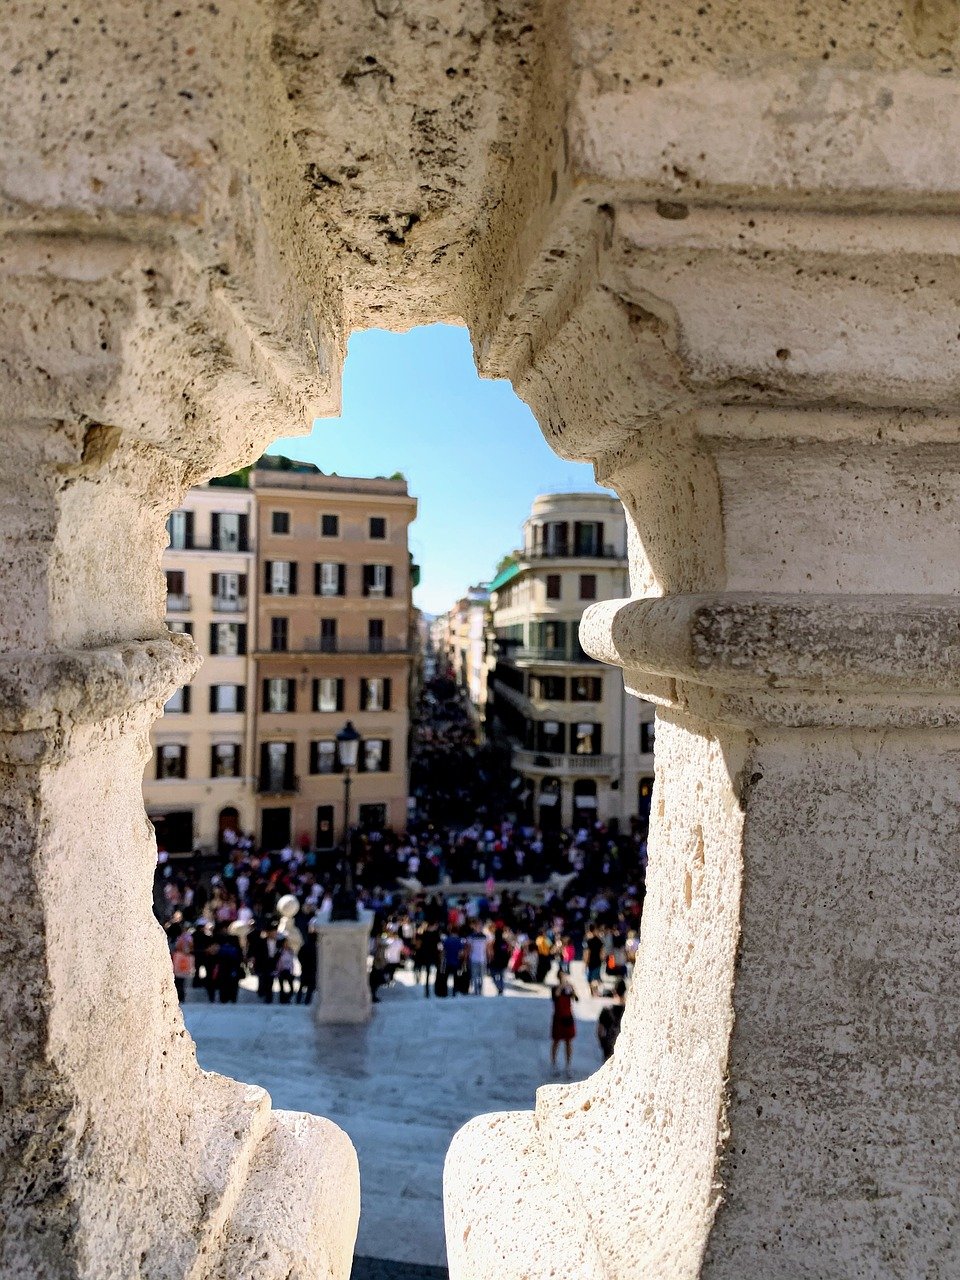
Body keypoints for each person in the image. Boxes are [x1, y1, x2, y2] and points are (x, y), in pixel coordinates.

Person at [550, 971, 578, 1077]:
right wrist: (562, 986)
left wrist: (573, 989)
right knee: (556, 1041)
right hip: (558, 1018)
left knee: (568, 1042)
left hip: (568, 1017)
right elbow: (555, 996)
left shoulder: (568, 989)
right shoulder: (555, 988)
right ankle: (554, 1064)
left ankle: (568, 1065)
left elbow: (576, 998)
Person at [597, 979, 627, 1061]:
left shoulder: (606, 1010)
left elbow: (600, 1030)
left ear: (614, 991)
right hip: (625, 1047)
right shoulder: (629, 1010)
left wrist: (603, 1044)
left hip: (609, 1045)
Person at [467, 924, 487, 996]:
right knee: (480, 975)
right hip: (481, 959)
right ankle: (479, 990)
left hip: (474, 958)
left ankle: (477, 990)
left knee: (475, 975)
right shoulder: (485, 937)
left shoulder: (471, 938)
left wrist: (468, 956)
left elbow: (469, 949)